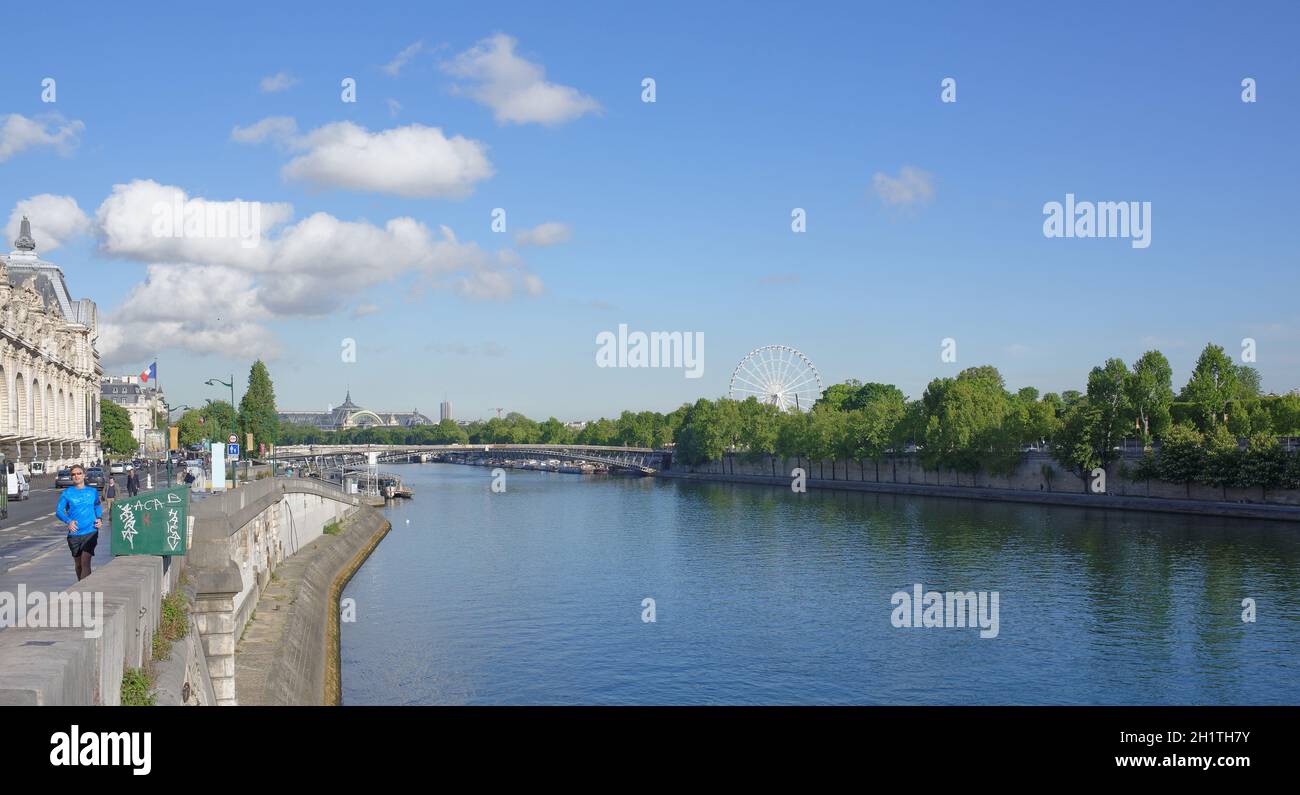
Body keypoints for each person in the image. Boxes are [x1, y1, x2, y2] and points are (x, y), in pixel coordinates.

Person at [56, 465, 103, 582]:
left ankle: (84, 591)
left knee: (85, 561)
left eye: (79, 473)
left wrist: (99, 518)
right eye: (73, 474)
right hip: (75, 533)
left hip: (90, 531)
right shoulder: (67, 493)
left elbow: (97, 505)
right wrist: (68, 521)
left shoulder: (92, 492)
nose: (76, 476)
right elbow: (59, 511)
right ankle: (80, 584)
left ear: (84, 475)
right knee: (78, 565)